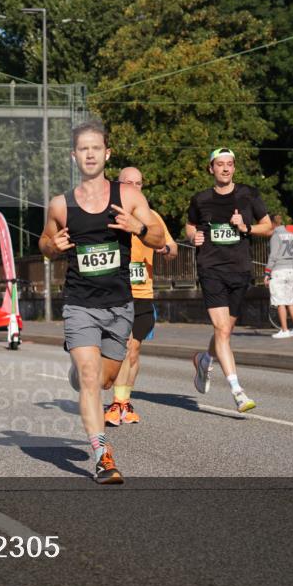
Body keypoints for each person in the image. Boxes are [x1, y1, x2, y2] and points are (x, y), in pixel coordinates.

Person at [38, 120, 164, 484]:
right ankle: (102, 456)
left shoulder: (129, 197)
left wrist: (139, 228)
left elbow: (158, 237)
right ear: (73, 156)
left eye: (96, 148)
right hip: (79, 303)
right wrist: (53, 247)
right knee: (92, 377)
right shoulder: (61, 204)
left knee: (105, 380)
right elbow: (44, 242)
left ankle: (79, 374)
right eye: (83, 149)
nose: (90, 154)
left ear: (107, 154)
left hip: (120, 304)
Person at [186, 148, 273, 413]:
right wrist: (192, 237)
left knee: (225, 331)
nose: (225, 168)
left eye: (229, 164)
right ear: (211, 168)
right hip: (211, 268)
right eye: (220, 164)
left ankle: (204, 359)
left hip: (240, 269)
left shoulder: (248, 195)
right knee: (222, 329)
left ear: (234, 168)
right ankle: (237, 391)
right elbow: (190, 225)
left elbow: (268, 227)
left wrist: (245, 227)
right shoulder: (200, 199)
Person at [103, 167, 179, 427]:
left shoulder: (152, 217)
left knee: (133, 350)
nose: (134, 187)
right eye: (129, 183)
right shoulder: (109, 215)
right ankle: (114, 397)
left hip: (143, 293)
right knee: (120, 349)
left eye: (138, 183)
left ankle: (122, 403)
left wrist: (165, 249)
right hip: (115, 292)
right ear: (119, 185)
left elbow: (172, 248)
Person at [265, 213, 293, 338]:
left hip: (278, 271)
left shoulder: (276, 236)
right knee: (290, 301)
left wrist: (267, 272)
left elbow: (273, 256)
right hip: (290, 270)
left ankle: (285, 330)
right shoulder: (291, 234)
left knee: (280, 302)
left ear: (272, 223)